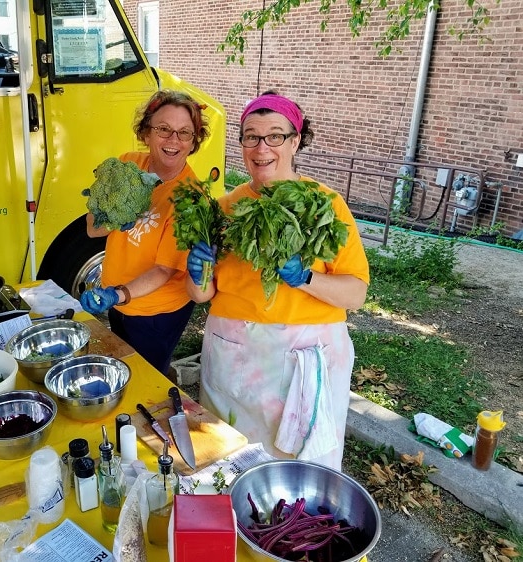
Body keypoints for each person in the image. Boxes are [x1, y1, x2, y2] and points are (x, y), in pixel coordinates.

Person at [185, 91, 370, 470]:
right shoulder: (224, 209)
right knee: (228, 457)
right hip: (233, 353)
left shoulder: (326, 205)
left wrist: (306, 278)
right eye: (251, 136)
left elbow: (356, 293)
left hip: (306, 356)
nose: (261, 147)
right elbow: (202, 295)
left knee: (299, 469)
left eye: (275, 136)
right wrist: (196, 270)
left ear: (295, 140)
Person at [80, 90, 210, 377]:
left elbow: (164, 270)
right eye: (164, 129)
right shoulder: (128, 164)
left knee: (146, 376)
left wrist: (118, 295)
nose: (173, 140)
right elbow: (93, 230)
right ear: (146, 132)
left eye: (184, 133)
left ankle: (163, 377)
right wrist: (114, 215)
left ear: (193, 143)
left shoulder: (191, 198)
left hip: (157, 311)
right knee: (123, 362)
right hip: (117, 295)